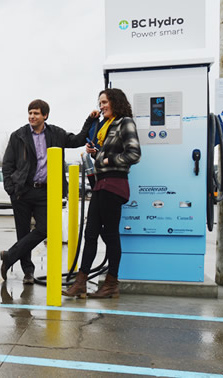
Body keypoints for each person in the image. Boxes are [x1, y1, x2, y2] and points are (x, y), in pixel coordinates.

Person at [0, 99, 91, 284]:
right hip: (22, 191)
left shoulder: (56, 133)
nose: (32, 116)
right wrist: (11, 188)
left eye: (36, 113)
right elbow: (7, 164)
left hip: (45, 192)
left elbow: (79, 140)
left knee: (45, 229)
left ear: (45, 116)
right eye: (30, 113)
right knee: (23, 232)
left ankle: (10, 256)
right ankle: (28, 272)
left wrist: (90, 120)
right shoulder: (18, 135)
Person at [62, 88, 141, 298]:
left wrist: (107, 160)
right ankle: (81, 283)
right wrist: (96, 154)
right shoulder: (105, 126)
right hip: (101, 184)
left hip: (114, 185)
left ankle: (111, 284)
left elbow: (134, 154)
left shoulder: (125, 122)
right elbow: (108, 153)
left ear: (115, 101)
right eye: (100, 103)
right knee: (90, 233)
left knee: (110, 234)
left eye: (104, 102)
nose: (101, 106)